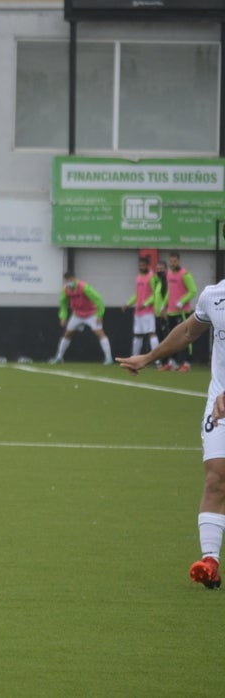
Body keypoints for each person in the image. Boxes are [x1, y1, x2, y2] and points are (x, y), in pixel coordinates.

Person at [117, 278, 225, 589]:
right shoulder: (213, 296)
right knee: (216, 478)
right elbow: (190, 331)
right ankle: (210, 562)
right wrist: (149, 358)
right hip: (219, 403)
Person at [49, 272, 112, 365]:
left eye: (70, 280)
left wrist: (99, 315)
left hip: (91, 313)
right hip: (77, 315)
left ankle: (108, 358)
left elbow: (98, 299)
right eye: (66, 280)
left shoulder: (83, 286)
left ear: (74, 278)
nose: (68, 282)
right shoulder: (66, 289)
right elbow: (63, 304)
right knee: (68, 333)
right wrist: (63, 317)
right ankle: (59, 357)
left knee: (99, 333)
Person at [160, 251, 198, 372]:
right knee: (171, 337)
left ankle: (186, 363)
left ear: (179, 261)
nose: (172, 263)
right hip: (171, 312)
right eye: (171, 261)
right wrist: (164, 305)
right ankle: (173, 362)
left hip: (182, 312)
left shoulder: (185, 274)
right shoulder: (169, 274)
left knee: (186, 337)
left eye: (175, 261)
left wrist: (182, 301)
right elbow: (170, 292)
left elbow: (193, 290)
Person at [122, 257, 160, 362]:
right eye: (140, 266)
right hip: (138, 312)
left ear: (147, 266)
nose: (141, 267)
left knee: (151, 333)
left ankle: (157, 360)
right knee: (138, 335)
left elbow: (155, 294)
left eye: (143, 265)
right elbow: (137, 295)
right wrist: (128, 303)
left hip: (148, 312)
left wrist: (145, 303)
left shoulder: (152, 277)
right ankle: (134, 359)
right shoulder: (138, 277)